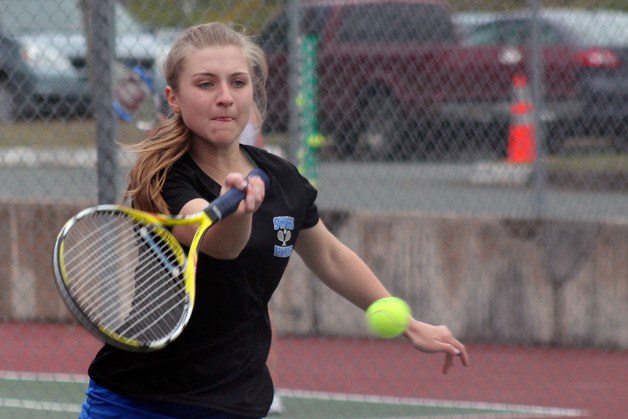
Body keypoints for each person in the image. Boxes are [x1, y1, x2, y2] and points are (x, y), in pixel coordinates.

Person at [78, 22, 468, 419]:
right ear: (173, 98)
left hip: (236, 402)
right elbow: (217, 241)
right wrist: (239, 208)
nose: (226, 98)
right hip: (135, 400)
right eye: (206, 84)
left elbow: (330, 256)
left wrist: (408, 322)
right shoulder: (164, 177)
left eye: (238, 83)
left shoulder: (284, 181)